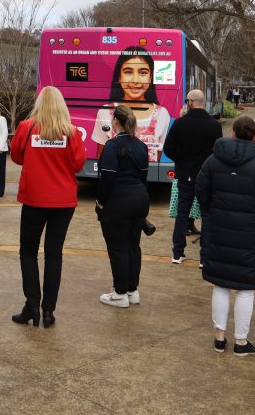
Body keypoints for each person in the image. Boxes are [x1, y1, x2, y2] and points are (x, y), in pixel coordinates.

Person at [196, 115, 255, 356]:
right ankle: (241, 342)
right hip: (251, 234)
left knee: (220, 284)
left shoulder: (213, 161)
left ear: (232, 132)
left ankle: (219, 338)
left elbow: (201, 191)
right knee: (246, 288)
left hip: (219, 229)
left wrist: (211, 213)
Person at [10, 86, 86, 328]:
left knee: (28, 252)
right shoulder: (72, 132)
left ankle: (32, 305)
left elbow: (16, 156)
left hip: (34, 199)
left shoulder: (26, 127)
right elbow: (78, 164)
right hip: (63, 201)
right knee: (54, 254)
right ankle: (48, 311)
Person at [95, 105, 149, 309]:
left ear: (115, 121)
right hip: (140, 199)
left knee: (118, 247)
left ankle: (119, 293)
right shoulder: (141, 146)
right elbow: (143, 175)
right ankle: (132, 291)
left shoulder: (112, 146)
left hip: (119, 201)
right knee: (133, 245)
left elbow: (107, 178)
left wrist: (100, 202)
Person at [164, 89, 223, 265]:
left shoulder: (179, 124)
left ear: (190, 102)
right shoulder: (214, 125)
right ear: (202, 102)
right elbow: (218, 152)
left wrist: (181, 160)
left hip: (185, 174)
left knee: (182, 213)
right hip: (206, 175)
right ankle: (204, 258)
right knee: (206, 215)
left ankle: (177, 253)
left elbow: (168, 149)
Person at [91, 47, 170, 163]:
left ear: (150, 77)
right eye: (128, 72)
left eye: (143, 72)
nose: (135, 80)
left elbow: (158, 159)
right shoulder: (105, 111)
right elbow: (100, 158)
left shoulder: (162, 114)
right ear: (119, 77)